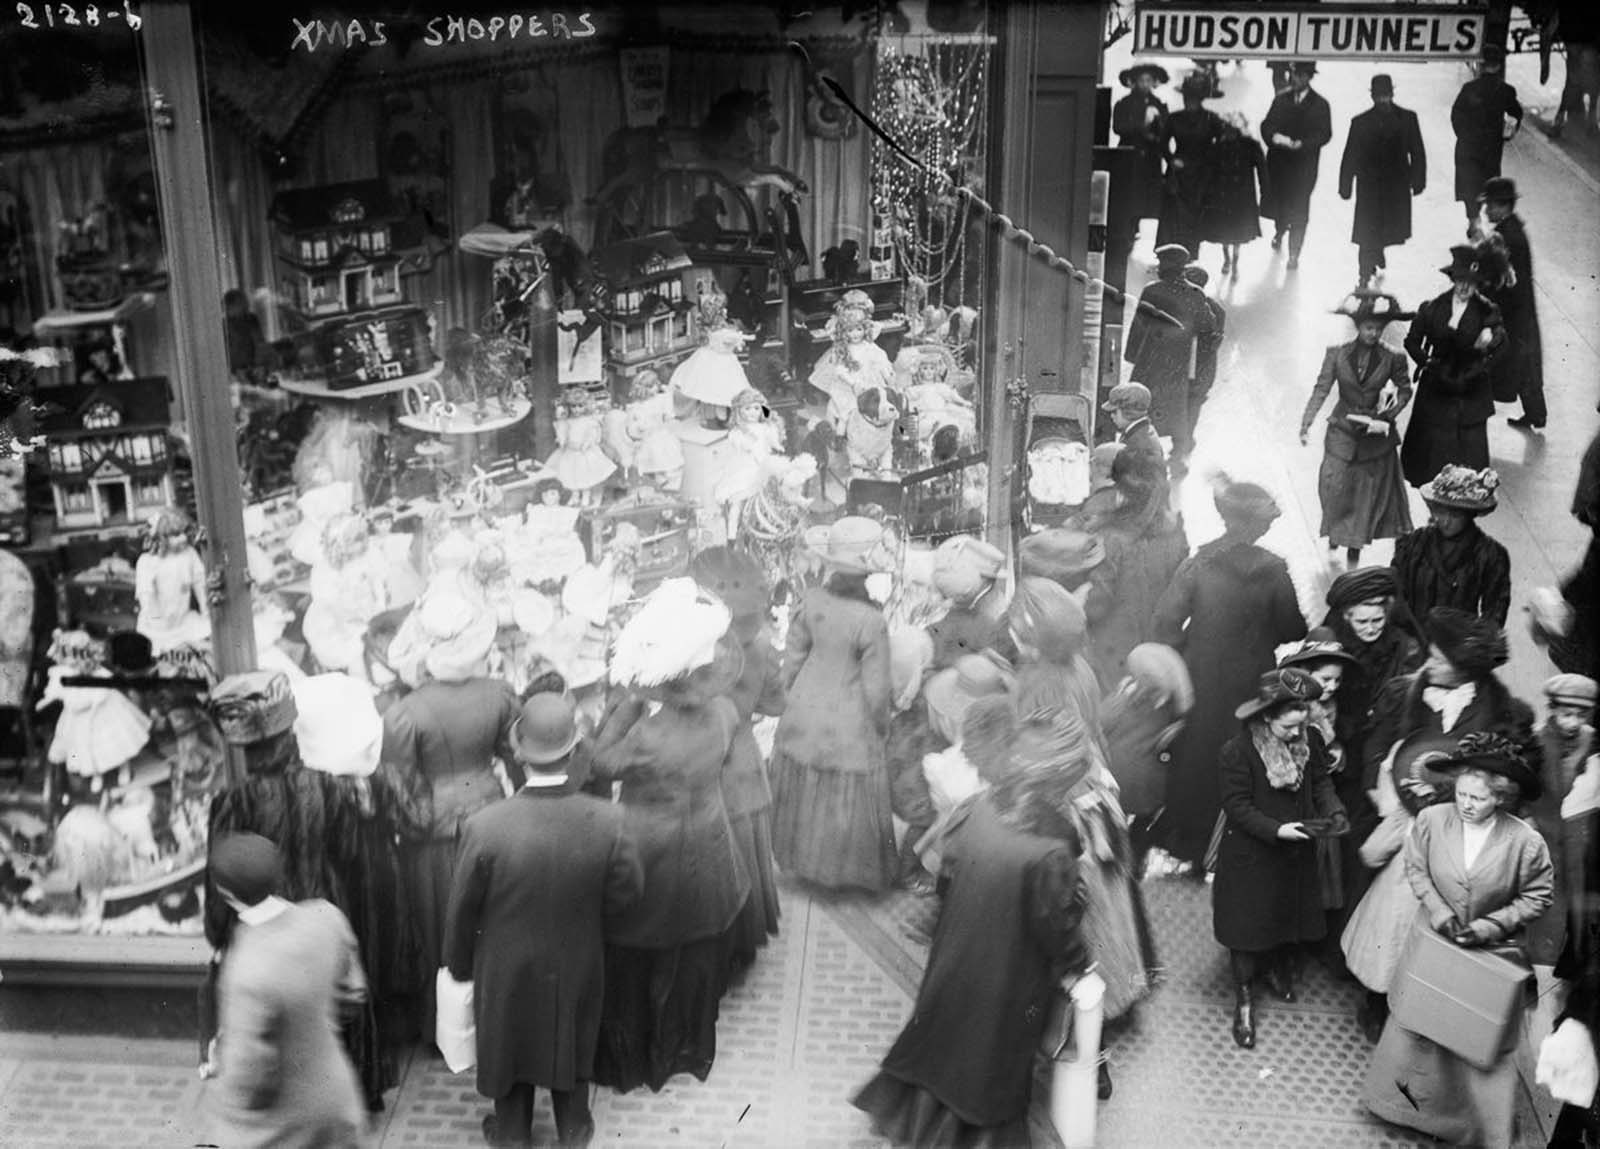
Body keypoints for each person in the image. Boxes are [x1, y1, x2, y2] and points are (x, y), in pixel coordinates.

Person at [852, 717, 1089, 1147]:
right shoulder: (1052, 852)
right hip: (1009, 974)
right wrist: (1081, 961)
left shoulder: (977, 806)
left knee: (941, 1035)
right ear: (1061, 780)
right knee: (987, 1057)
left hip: (957, 949)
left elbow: (947, 876)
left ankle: (918, 1121)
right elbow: (1055, 930)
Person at [445, 694, 644, 1149]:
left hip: (504, 964)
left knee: (509, 1041)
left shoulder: (484, 825)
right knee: (571, 1037)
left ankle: (512, 1133)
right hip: (578, 956)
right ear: (575, 751)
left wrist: (458, 966)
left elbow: (462, 910)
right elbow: (628, 894)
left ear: (518, 753)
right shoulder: (609, 821)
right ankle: (574, 1130)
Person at [204, 670, 405, 1114]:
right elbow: (350, 852)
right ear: (287, 735)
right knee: (334, 996)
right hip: (325, 903)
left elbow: (220, 878)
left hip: (264, 920)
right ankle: (356, 1089)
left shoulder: (234, 802)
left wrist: (219, 936)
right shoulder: (326, 786)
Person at [589, 579, 751, 1093]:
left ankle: (635, 1058)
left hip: (648, 849)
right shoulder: (723, 714)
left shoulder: (647, 735)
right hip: (709, 843)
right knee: (693, 956)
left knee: (639, 956)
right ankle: (686, 1048)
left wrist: (628, 706)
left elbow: (601, 761)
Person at [1364, 737, 1553, 1147]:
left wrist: (1490, 927)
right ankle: (1402, 1109)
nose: (1467, 804)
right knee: (1416, 1029)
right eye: (1463, 794)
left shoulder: (1526, 842)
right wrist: (1440, 912)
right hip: (1435, 941)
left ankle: (1475, 1128)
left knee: (1479, 1043)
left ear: (1500, 798)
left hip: (1490, 952)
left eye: (1479, 799)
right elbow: (1417, 870)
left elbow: (1538, 897)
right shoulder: (1432, 820)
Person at [380, 591, 520, 1027]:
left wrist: (416, 827)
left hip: (435, 832)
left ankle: (446, 1023)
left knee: (440, 922)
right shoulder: (499, 694)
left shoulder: (405, 713)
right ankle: (498, 1013)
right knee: (493, 918)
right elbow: (516, 756)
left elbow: (399, 787)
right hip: (492, 815)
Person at [1153, 477, 1308, 868]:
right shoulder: (1273, 569)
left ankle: (1185, 840)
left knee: (1195, 751)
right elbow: (1294, 629)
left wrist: (1190, 650)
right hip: (1252, 681)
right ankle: (1230, 845)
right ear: (1260, 526)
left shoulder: (1198, 563)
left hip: (1201, 677)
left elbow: (1166, 624)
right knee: (1242, 757)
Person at [205, 833, 366, 1149]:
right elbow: (353, 994)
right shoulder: (326, 916)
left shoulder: (245, 969)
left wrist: (217, 1070)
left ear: (225, 892)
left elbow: (246, 1076)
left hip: (281, 1128)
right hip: (336, 1098)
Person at [1213, 668, 1344, 1049]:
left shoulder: (1309, 741)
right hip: (1252, 857)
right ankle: (1244, 1002)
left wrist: (1333, 810)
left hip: (1294, 856)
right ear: (1266, 717)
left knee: (1282, 920)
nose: (1296, 736)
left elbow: (1321, 782)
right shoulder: (1236, 752)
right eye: (1287, 728)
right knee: (1246, 931)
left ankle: (1272, 971)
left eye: (1301, 726)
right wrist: (1277, 831)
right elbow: (1237, 806)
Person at [771, 516, 897, 892]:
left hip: (805, 706)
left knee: (806, 781)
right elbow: (877, 689)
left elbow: (791, 661)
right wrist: (882, 726)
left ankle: (802, 864)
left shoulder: (811, 601)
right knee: (844, 793)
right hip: (850, 718)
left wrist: (789, 702)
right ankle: (839, 874)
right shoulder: (872, 620)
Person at [689, 547, 786, 966]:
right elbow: (776, 703)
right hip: (744, 758)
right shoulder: (763, 643)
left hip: (701, 756)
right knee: (745, 846)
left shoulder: (696, 646)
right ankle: (744, 941)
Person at [1364, 607, 1536, 804]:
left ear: (1463, 672)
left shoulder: (1503, 712)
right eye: (1430, 656)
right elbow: (1376, 744)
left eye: (1439, 661)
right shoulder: (1402, 694)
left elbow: (1520, 767)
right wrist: (1375, 789)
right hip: (1405, 803)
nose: (1429, 665)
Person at [1299, 290, 1415, 567]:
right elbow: (1322, 387)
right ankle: (1336, 532)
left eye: (1378, 329)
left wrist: (1389, 413)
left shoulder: (1394, 358)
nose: (1373, 334)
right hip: (1341, 429)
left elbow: (1404, 390)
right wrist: (1306, 421)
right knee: (1333, 486)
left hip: (1373, 436)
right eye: (1368, 328)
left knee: (1364, 493)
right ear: (1358, 326)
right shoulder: (1336, 354)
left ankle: (1354, 546)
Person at [1399, 244, 1508, 488]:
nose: (1465, 287)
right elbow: (1412, 341)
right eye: (1460, 280)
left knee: (1467, 464)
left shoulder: (1488, 312)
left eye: (1471, 282)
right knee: (1430, 461)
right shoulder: (1433, 307)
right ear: (1453, 279)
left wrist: (1485, 357)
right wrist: (1427, 362)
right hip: (1437, 388)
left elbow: (1502, 345)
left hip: (1470, 392)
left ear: (1478, 284)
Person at [1278, 631, 1362, 947]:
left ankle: (1302, 934)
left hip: (1316, 792)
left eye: (1337, 681)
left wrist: (1336, 746)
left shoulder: (1329, 706)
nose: (1331, 687)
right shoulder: (1290, 708)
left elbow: (1326, 739)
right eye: (1325, 679)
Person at [1080, 449, 1190, 689]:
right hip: (1158, 648)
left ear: (1120, 489)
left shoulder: (1110, 537)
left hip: (1114, 653)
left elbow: (1097, 605)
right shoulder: (1176, 533)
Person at [1102, 642, 1194, 874]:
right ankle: (1135, 859)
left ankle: (1111, 857)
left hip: (1114, 777)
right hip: (1150, 785)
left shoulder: (1123, 700)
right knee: (1144, 820)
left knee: (1111, 818)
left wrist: (1119, 696)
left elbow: (1100, 723)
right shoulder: (1171, 710)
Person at [1525, 675, 1597, 968]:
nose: (1573, 722)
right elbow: (1521, 790)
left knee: (1578, 913)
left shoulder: (1593, 742)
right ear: (1553, 709)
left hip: (1579, 847)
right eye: (1567, 714)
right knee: (1544, 913)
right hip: (1543, 842)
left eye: (1581, 715)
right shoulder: (1535, 741)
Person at [1124, 243, 1218, 465]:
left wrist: (1132, 354)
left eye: (1162, 263)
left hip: (1150, 361)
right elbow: (1207, 330)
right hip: (1179, 363)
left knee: (1143, 403)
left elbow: (1139, 325)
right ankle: (1177, 453)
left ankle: (1137, 450)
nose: (1158, 267)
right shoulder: (1195, 294)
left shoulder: (1153, 291)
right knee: (1176, 406)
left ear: (1168, 266)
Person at [1393, 464, 1512, 627]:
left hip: (1459, 644)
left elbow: (1494, 613)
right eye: (1440, 512)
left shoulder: (1490, 555)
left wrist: (1475, 646)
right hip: (1412, 640)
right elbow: (1395, 594)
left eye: (1455, 515)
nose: (1446, 521)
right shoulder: (1412, 543)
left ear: (1470, 515)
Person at [1338, 74, 1427, 288]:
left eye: (1386, 96)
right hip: (1369, 186)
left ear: (1392, 94)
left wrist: (1418, 180)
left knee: (1384, 229)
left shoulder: (1407, 119)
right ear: (1373, 97)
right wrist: (1345, 185)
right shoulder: (1360, 122)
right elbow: (1350, 154)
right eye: (1379, 97)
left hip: (1395, 187)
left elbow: (1417, 151)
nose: (1382, 101)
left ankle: (1377, 252)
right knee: (1366, 232)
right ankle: (1363, 274)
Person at [1480, 177, 1547, 430]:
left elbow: (1503, 278)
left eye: (1490, 205)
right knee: (1527, 365)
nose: (1486, 210)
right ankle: (1536, 414)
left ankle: (1533, 413)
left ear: (1503, 206)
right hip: (1522, 310)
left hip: (1512, 312)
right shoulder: (1513, 231)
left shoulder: (1507, 237)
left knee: (1514, 362)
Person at [1260, 60, 1333, 269]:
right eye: (1294, 74)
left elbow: (1325, 133)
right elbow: (1267, 125)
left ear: (1309, 77)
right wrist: (1275, 138)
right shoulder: (1281, 100)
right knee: (1281, 205)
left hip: (1304, 168)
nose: (1296, 79)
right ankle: (1280, 230)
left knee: (1300, 209)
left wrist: (1303, 144)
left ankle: (1294, 253)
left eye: (1301, 75)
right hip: (1280, 165)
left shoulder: (1320, 105)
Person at [1451, 44, 1523, 235]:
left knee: (1468, 185)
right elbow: (1516, 113)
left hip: (1467, 147)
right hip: (1490, 148)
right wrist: (1508, 132)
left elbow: (1456, 115)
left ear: (1481, 65)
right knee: (1487, 184)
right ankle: (1486, 220)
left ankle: (1473, 220)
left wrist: (1464, 135)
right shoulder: (1506, 90)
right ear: (1499, 66)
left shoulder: (1469, 88)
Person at [1157, 72, 1224, 256]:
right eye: (1187, 98)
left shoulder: (1211, 119)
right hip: (1179, 173)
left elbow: (1223, 142)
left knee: (1196, 213)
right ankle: (1168, 254)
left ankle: (1191, 253)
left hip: (1201, 174)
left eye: (1194, 99)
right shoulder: (1174, 118)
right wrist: (1171, 159)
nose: (1189, 102)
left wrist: (1210, 159)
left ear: (1201, 99)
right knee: (1174, 215)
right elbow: (1162, 143)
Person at [1198, 110, 1269, 276]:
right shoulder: (1218, 146)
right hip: (1223, 196)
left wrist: (1266, 191)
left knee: (1236, 234)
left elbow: (1262, 170)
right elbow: (1208, 170)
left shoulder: (1250, 145)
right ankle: (1227, 259)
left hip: (1241, 197)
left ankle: (1234, 262)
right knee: (1225, 233)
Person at [1111, 62, 1171, 231]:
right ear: (1134, 82)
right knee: (1128, 196)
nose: (1145, 84)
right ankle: (1127, 230)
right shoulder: (1124, 104)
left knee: (1147, 199)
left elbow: (1166, 130)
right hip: (1130, 156)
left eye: (1149, 80)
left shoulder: (1158, 104)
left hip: (1150, 158)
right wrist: (1141, 124)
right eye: (1141, 80)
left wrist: (1158, 123)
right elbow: (1118, 127)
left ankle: (1139, 229)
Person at [1181, 264, 1227, 445]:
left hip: (1191, 368)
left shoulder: (1209, 310)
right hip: (1202, 370)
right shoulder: (1216, 309)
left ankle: (1183, 438)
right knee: (1193, 403)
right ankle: (1186, 437)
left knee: (1189, 402)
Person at [1102, 380, 1166, 476]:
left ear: (1128, 412)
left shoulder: (1137, 443)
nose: (1111, 416)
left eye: (1114, 412)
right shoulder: (1142, 430)